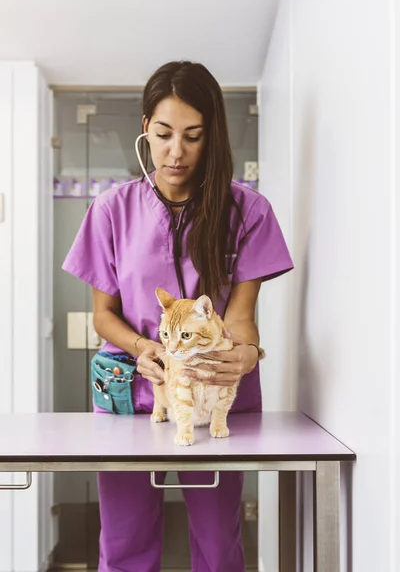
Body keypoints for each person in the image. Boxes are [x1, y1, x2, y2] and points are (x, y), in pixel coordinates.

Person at [62, 60, 294, 572]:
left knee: (218, 543)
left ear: (212, 136)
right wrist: (143, 347)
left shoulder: (247, 212)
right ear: (145, 128)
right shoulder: (110, 210)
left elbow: (242, 317)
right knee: (123, 544)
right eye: (164, 134)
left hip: (213, 393)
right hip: (131, 389)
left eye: (193, 136)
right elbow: (104, 316)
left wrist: (246, 354)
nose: (176, 151)